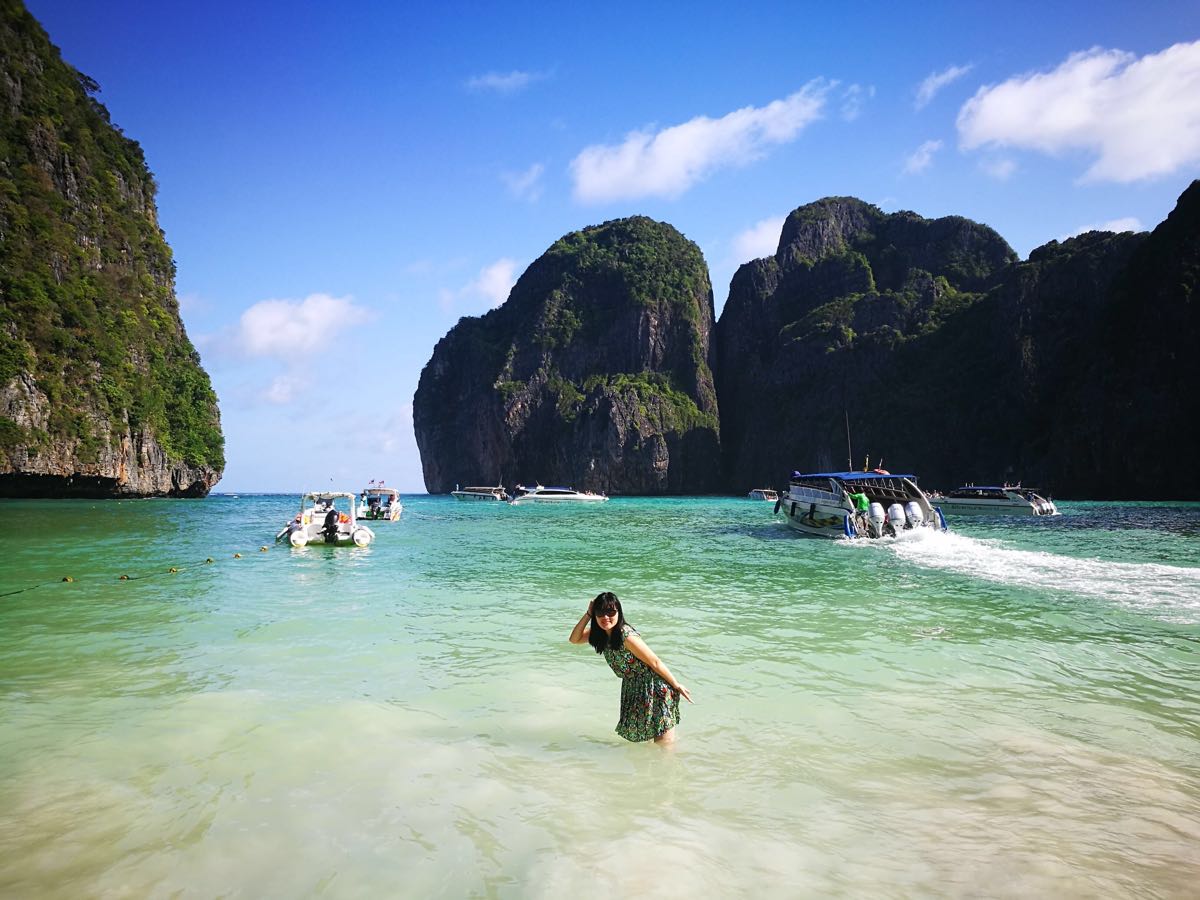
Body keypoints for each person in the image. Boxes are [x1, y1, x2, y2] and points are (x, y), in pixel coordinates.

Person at [568, 591, 692, 744]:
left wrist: (676, 684)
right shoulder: (599, 634)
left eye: (611, 611)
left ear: (619, 612)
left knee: (663, 747)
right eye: (600, 612)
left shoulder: (625, 635)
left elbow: (655, 662)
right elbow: (574, 639)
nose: (605, 617)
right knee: (646, 744)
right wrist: (588, 614)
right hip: (634, 689)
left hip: (656, 688)